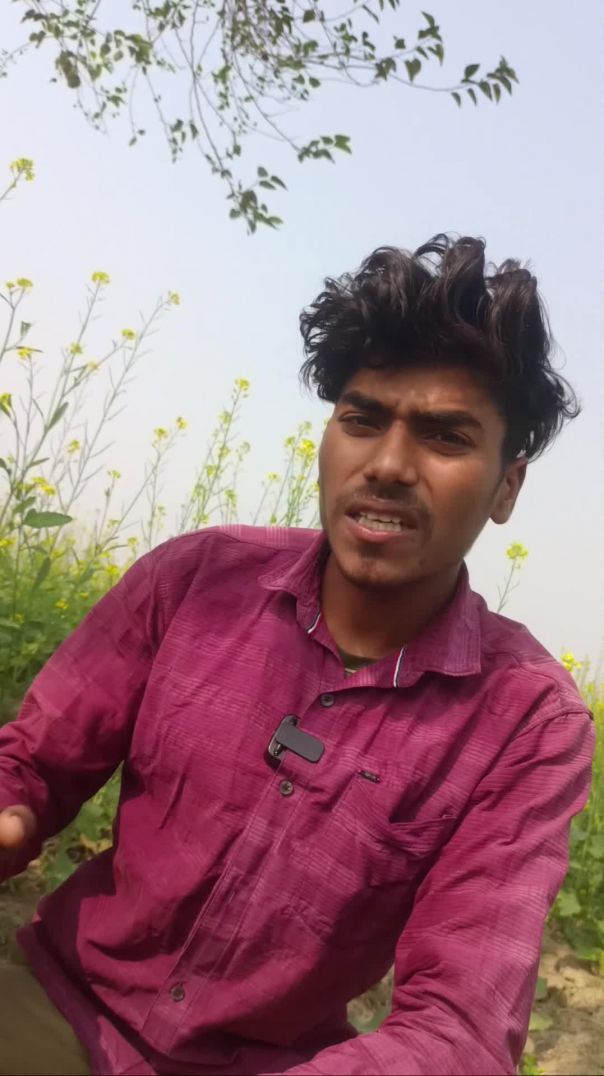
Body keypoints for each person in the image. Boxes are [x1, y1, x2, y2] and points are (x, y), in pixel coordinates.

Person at [0, 235, 594, 1076]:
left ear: (507, 486)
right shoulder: (195, 579)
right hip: (61, 1008)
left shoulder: (527, 722)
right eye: (362, 420)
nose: (387, 465)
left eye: (445, 437)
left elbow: (460, 1029)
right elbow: (31, 763)